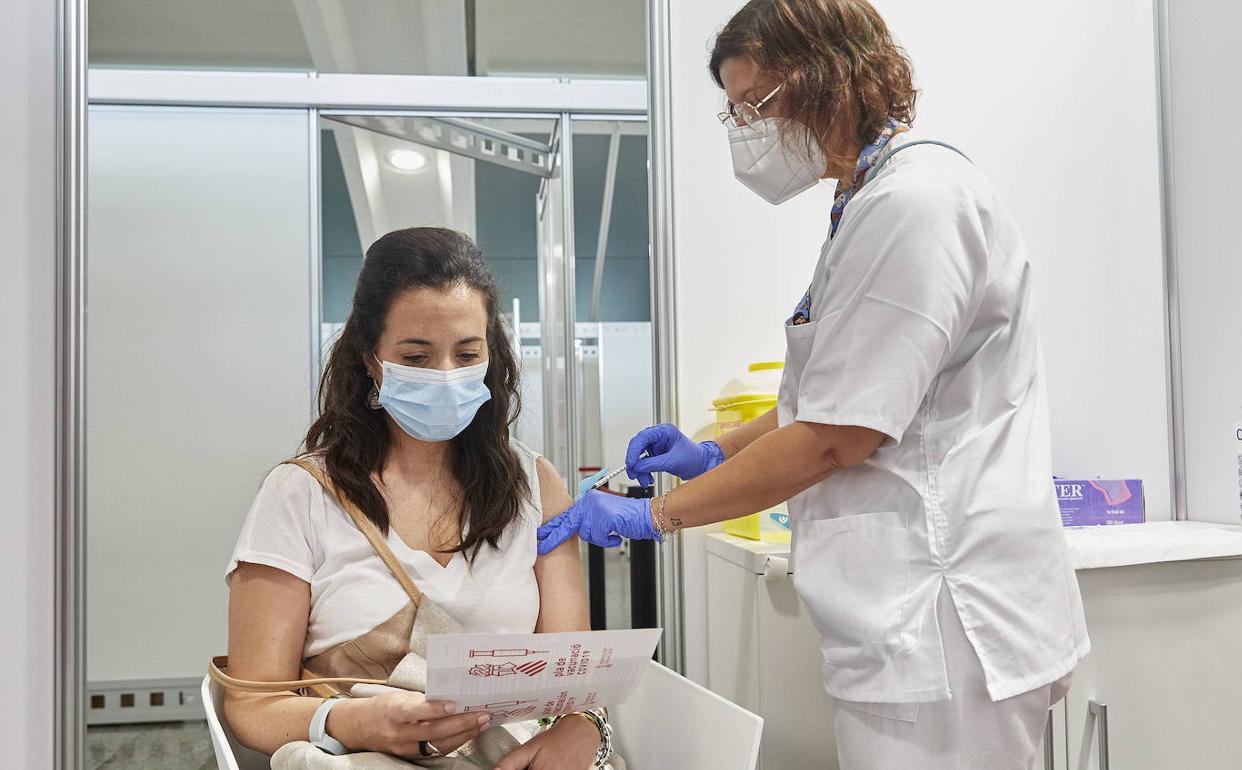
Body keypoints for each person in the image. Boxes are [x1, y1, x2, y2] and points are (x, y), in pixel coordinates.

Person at [537, 1, 1089, 768]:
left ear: (829, 75)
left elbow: (839, 435)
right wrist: (712, 450)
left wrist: (656, 516)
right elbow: (832, 394)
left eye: (752, 106)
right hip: (911, 624)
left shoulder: (915, 204)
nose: (745, 132)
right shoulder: (867, 200)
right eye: (733, 114)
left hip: (946, 621)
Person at [224, 227, 604, 769]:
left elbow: (573, 680)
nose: (447, 376)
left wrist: (581, 727)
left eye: (467, 352)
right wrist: (348, 721)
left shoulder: (536, 485)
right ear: (371, 359)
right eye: (417, 356)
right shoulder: (299, 495)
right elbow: (252, 701)